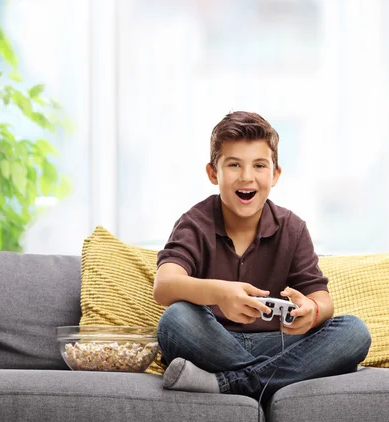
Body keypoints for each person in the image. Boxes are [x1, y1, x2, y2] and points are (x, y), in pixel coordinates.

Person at [153, 111, 371, 400]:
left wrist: (312, 311)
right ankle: (273, 379)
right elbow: (164, 285)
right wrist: (220, 294)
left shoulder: (292, 227)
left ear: (275, 174)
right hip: (213, 340)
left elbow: (322, 300)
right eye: (234, 165)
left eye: (259, 165)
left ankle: (233, 383)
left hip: (278, 343)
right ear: (213, 173)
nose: (247, 177)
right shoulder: (194, 222)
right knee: (174, 320)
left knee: (354, 332)